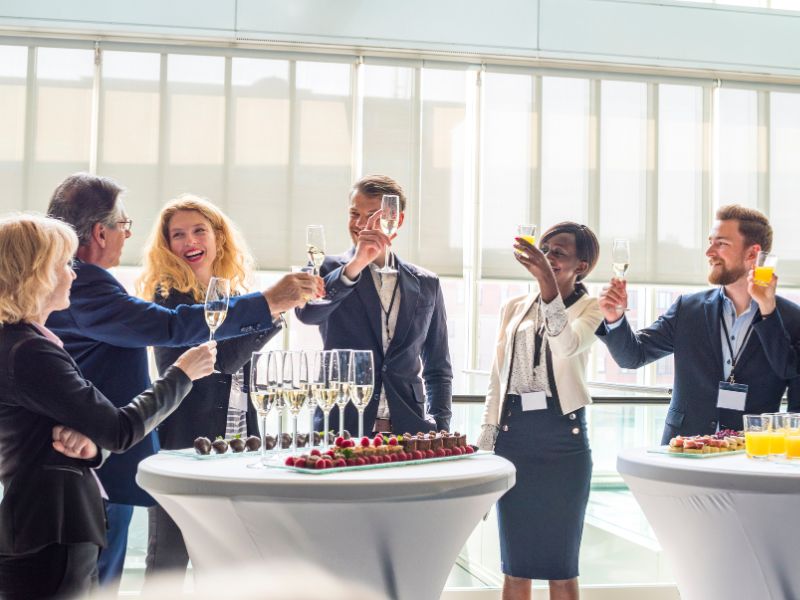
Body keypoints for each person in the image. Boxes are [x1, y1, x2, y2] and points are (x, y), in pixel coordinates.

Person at [45, 173, 323, 590]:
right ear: (101, 233)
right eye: (124, 225)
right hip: (95, 455)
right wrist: (270, 304)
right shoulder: (88, 283)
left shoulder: (84, 282)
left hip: (103, 452)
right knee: (99, 581)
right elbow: (177, 329)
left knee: (103, 579)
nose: (128, 233)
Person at [0, 214, 217, 600]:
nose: (74, 275)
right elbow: (119, 429)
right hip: (53, 528)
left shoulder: (23, 343)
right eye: (65, 264)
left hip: (45, 525)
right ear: (39, 274)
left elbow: (72, 435)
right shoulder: (30, 352)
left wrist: (91, 446)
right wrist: (181, 374)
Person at [137, 194, 275, 586]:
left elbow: (239, 372)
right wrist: (269, 316)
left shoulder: (236, 296)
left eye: (199, 230)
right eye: (177, 234)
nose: (189, 241)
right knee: (167, 558)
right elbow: (220, 363)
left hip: (236, 445)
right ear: (167, 246)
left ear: (218, 237)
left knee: (228, 562)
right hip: (183, 446)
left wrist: (263, 316)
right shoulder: (167, 302)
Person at [597, 204, 800, 444]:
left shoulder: (791, 319)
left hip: (750, 458)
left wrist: (768, 311)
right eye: (710, 241)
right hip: (684, 450)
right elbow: (632, 356)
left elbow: (794, 396)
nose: (709, 252)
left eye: (721, 243)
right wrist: (614, 318)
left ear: (752, 254)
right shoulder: (688, 309)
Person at [477, 222, 602, 600]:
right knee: (516, 566)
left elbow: (565, 345)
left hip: (563, 441)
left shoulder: (591, 308)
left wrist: (548, 286)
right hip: (515, 438)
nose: (548, 258)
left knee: (561, 567)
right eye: (544, 249)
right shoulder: (513, 306)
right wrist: (487, 437)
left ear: (581, 265)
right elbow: (497, 378)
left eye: (558, 253)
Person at [295, 174, 452, 435]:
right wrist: (355, 266)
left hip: (411, 432)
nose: (360, 224)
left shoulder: (427, 283)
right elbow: (308, 313)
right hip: (341, 428)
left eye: (372, 216)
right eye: (354, 214)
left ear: (396, 220)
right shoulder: (324, 269)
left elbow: (438, 367)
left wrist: (440, 427)